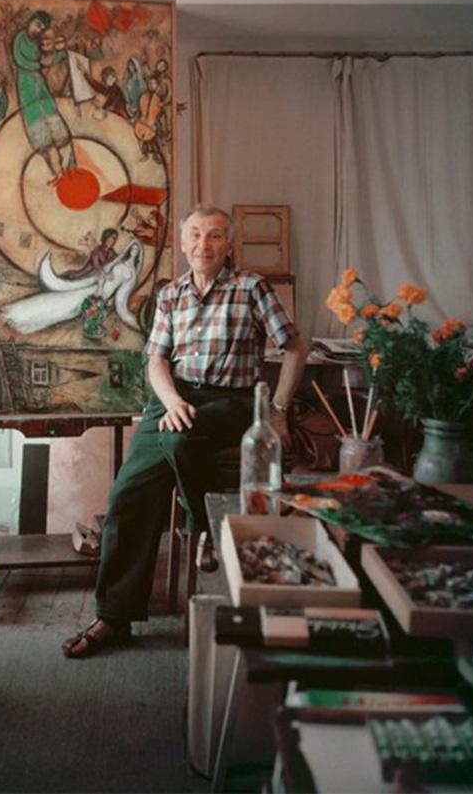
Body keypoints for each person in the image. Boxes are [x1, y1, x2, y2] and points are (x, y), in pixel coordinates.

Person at [62, 204, 310, 658]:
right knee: (126, 495)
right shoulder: (172, 294)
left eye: (215, 236)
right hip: (174, 398)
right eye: (196, 235)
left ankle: (202, 531)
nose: (204, 244)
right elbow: (156, 359)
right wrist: (173, 401)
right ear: (183, 242)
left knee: (179, 439)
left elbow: (295, 347)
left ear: (228, 244)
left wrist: (277, 410)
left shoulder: (251, 287)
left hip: (229, 401)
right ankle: (114, 617)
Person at [12, 10, 75, 183]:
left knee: (57, 129)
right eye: (37, 25)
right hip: (27, 88)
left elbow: (48, 58)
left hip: (40, 86)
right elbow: (20, 60)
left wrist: (61, 53)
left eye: (42, 28)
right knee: (43, 138)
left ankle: (69, 168)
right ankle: (58, 172)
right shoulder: (20, 38)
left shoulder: (38, 43)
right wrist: (38, 64)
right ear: (31, 22)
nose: (38, 30)